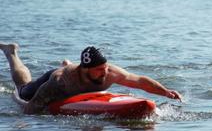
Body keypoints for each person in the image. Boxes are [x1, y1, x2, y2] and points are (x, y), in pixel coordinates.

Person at [0, 43, 182, 114]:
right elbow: (30, 109)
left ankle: (66, 62)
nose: (104, 73)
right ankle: (12, 52)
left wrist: (165, 92)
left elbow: (140, 81)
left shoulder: (110, 72)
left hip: (79, 85)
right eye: (98, 70)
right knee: (23, 88)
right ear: (84, 69)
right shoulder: (60, 81)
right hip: (55, 81)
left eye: (105, 67)